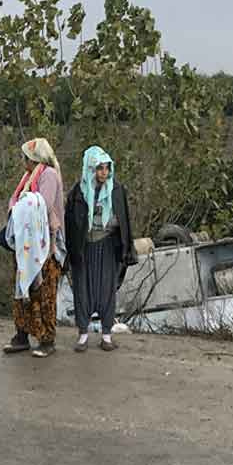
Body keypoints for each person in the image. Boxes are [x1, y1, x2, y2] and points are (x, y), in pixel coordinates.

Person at [65, 146, 137, 352]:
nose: (104, 172)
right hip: (84, 246)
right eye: (99, 168)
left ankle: (106, 335)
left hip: (107, 246)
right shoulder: (78, 192)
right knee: (82, 289)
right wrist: (69, 252)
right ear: (90, 169)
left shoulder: (116, 190)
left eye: (107, 167)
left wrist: (126, 248)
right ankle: (83, 334)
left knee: (106, 289)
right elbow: (70, 223)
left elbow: (124, 221)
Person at [2, 138, 66, 358]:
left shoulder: (48, 175)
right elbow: (14, 200)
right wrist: (17, 209)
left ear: (33, 158)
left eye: (25, 157)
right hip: (25, 244)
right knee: (22, 289)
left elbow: (42, 205)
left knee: (44, 290)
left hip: (44, 244)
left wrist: (22, 205)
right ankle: (22, 334)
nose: (23, 161)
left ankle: (47, 339)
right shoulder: (28, 177)